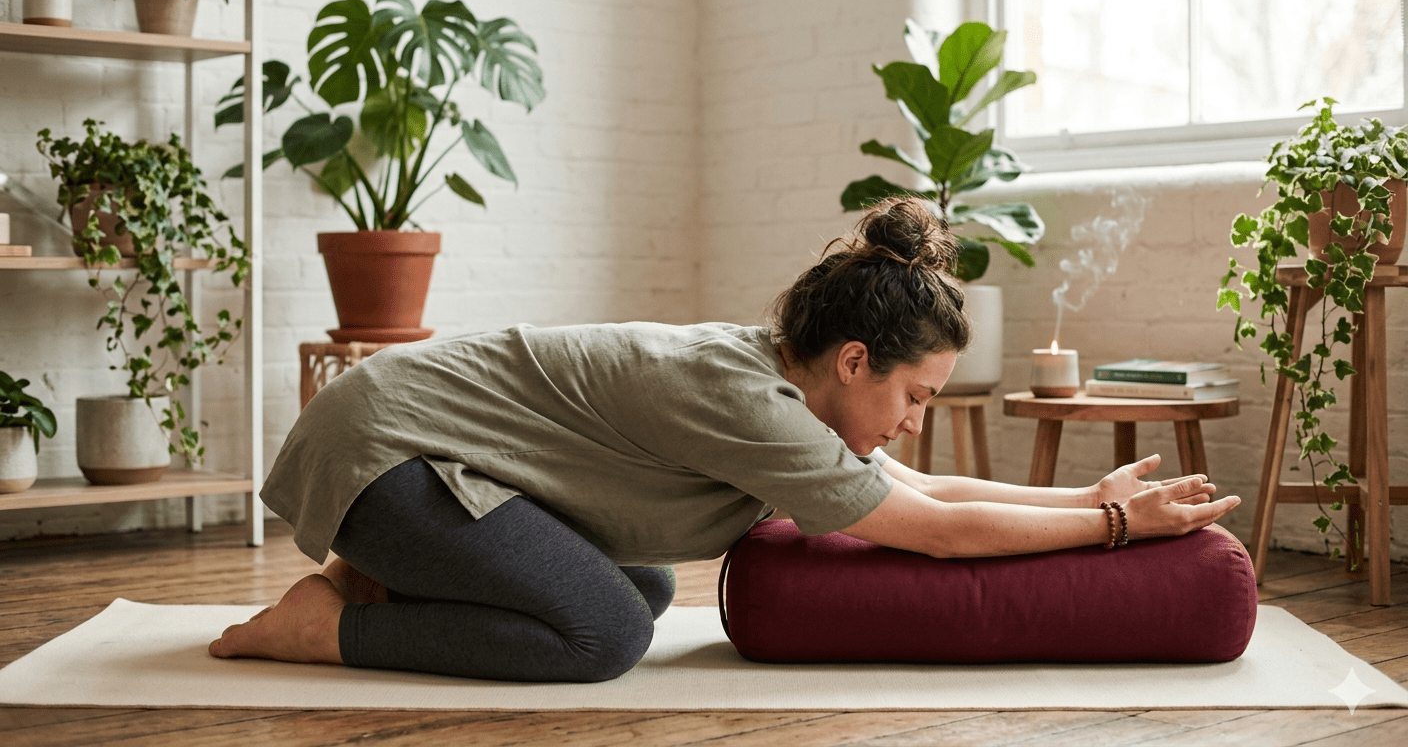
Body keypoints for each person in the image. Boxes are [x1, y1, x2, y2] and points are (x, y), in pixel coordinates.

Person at [208, 197, 1240, 682]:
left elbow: (920, 486)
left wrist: (1087, 499)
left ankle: (379, 584)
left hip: (423, 452)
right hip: (384, 453)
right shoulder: (754, 408)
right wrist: (1113, 528)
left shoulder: (785, 382)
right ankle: (323, 628)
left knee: (647, 587)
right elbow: (934, 529)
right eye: (915, 395)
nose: (913, 419)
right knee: (604, 636)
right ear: (853, 361)